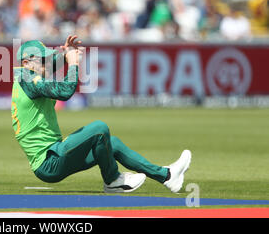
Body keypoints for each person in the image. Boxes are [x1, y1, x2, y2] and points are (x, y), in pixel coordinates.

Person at [11, 35, 192, 193]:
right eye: (42, 60)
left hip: (54, 156)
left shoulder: (28, 76)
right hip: (49, 161)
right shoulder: (26, 78)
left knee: (111, 143)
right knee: (99, 128)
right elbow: (64, 92)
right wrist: (72, 63)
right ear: (26, 63)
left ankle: (167, 176)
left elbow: (48, 67)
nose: (47, 63)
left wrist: (67, 54)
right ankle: (112, 180)